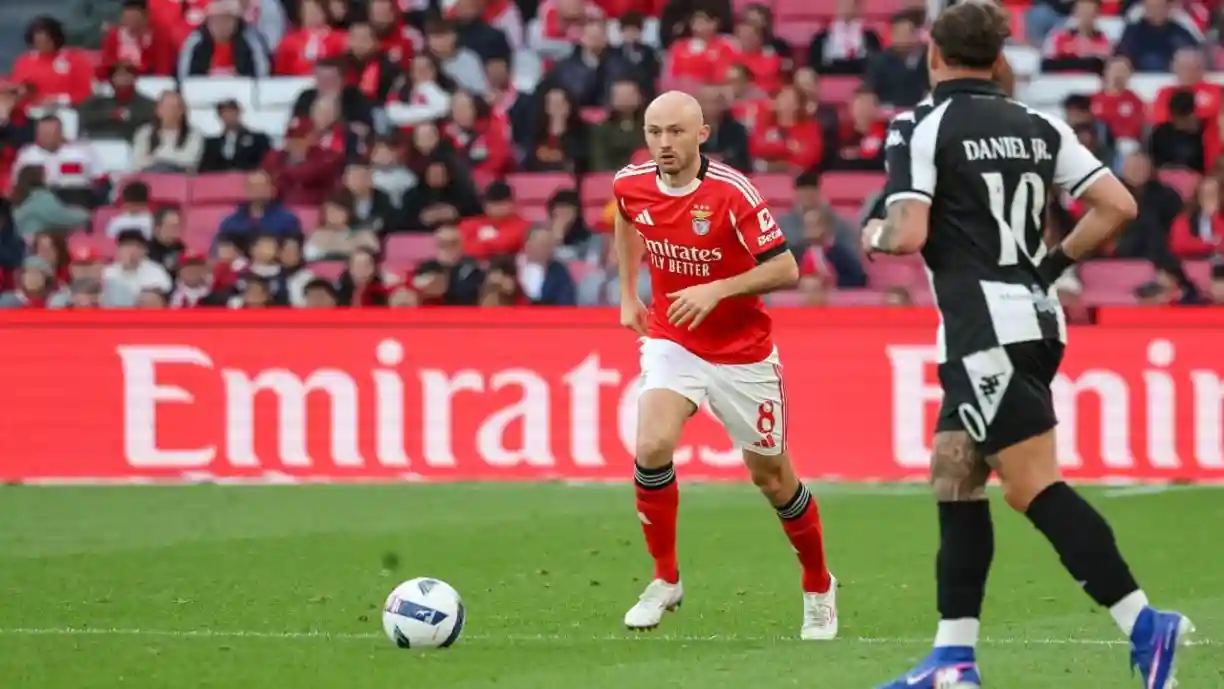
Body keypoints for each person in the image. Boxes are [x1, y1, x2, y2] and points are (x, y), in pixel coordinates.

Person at [862, 4, 1192, 688]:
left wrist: (872, 234)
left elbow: (908, 232)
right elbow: (1118, 207)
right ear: (998, 57)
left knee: (1031, 484)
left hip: (984, 330)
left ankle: (1143, 622)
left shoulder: (920, 125)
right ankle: (953, 658)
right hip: (1035, 318)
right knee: (955, 471)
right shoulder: (1038, 125)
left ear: (933, 55)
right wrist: (1049, 266)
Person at [611, 91, 835, 639]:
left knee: (773, 478)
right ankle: (665, 578)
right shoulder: (630, 183)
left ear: (701, 133)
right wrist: (626, 293)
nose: (664, 143)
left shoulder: (732, 193)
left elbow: (785, 268)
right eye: (655, 131)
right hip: (673, 338)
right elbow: (626, 218)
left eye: (676, 132)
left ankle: (818, 584)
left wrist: (716, 289)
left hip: (742, 355)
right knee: (652, 445)